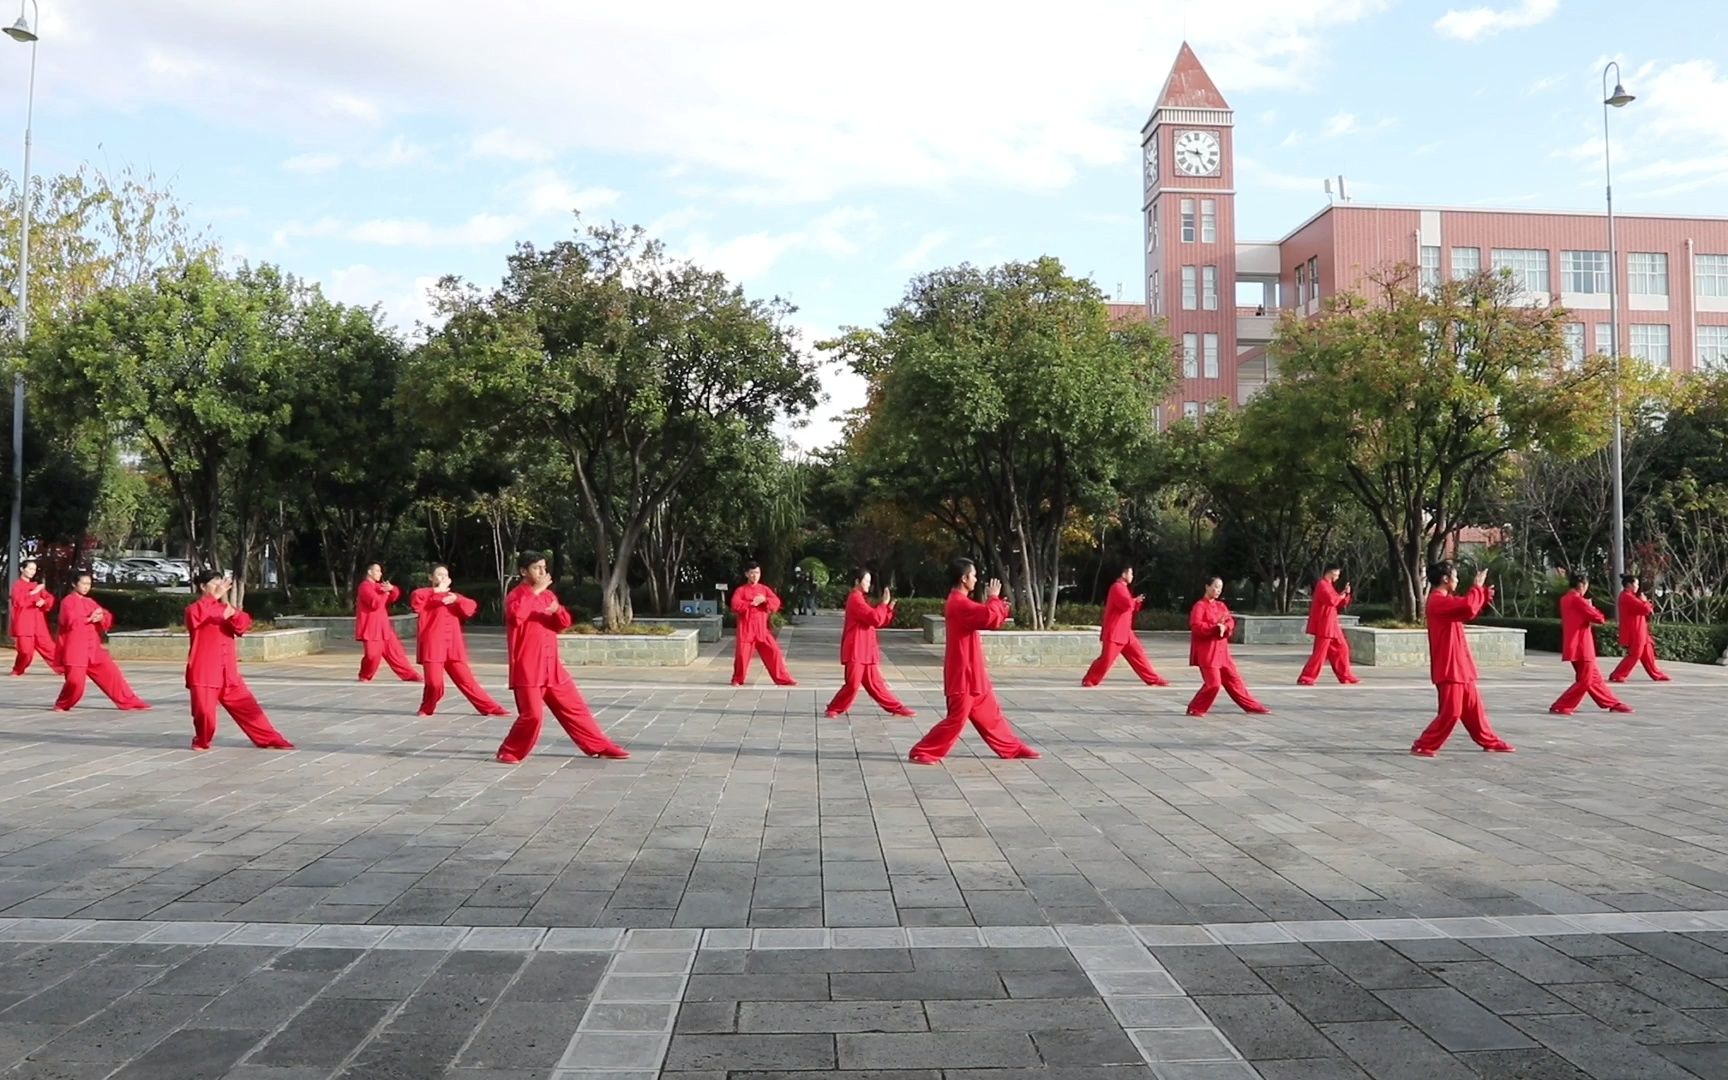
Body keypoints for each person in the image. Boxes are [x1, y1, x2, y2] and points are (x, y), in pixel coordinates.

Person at [495, 551, 628, 764]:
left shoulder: (548, 596)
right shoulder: (516, 596)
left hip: (552, 667)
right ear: (523, 571)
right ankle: (509, 751)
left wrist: (557, 610)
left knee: (576, 709)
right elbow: (516, 616)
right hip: (528, 668)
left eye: (544, 567)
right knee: (533, 716)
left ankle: (600, 746)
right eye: (536, 568)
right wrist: (536, 591)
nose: (542, 571)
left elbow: (563, 623)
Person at [908, 557, 1039, 764]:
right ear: (964, 578)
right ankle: (923, 750)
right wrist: (994, 599)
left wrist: (997, 605)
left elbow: (988, 615)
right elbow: (988, 617)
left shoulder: (960, 602)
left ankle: (1011, 748)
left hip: (972, 671)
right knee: (956, 720)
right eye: (974, 575)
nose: (976, 579)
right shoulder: (958, 603)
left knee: (991, 715)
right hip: (963, 673)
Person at [1411, 561, 1515, 757]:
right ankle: (1424, 744)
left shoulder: (1445, 600)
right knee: (1451, 712)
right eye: (1455, 577)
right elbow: (1467, 605)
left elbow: (1468, 609)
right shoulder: (1437, 601)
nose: (1457, 580)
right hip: (1449, 666)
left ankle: (1489, 741)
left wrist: (1482, 595)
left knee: (1474, 710)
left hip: (1460, 665)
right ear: (1445, 579)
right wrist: (1476, 587)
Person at [185, 569, 294, 750]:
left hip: (229, 674)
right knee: (204, 714)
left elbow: (242, 625)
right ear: (203, 587)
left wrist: (233, 613)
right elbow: (196, 617)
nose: (219, 588)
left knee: (250, 711)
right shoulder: (194, 609)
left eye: (221, 584)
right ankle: (202, 740)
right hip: (205, 672)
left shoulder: (225, 609)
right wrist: (213, 599)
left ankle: (269, 739)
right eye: (214, 584)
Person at [410, 565, 509, 718]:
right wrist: (437, 591)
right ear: (431, 577)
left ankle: (491, 708)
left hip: (453, 646)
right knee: (435, 684)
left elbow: (471, 607)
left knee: (467, 681)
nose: (442, 577)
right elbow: (417, 601)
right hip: (433, 646)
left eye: (445, 574)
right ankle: (427, 707)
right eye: (439, 574)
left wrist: (456, 599)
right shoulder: (424, 594)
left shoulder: (453, 597)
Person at [53, 571, 150, 713]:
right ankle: (62, 703)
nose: (86, 587)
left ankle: (128, 701)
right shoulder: (68, 602)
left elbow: (105, 615)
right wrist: (89, 619)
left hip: (93, 648)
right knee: (75, 683)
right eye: (83, 584)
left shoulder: (89, 601)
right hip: (75, 649)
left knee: (112, 674)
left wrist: (101, 617)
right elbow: (70, 622)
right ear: (74, 584)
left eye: (89, 584)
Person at [825, 568, 915, 719]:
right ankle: (834, 708)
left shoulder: (861, 598)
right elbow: (874, 618)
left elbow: (878, 621)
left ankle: (896, 707)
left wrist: (888, 608)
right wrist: (883, 604)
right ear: (857, 582)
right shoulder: (855, 598)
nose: (869, 584)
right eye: (866, 581)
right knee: (853, 684)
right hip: (856, 648)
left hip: (867, 649)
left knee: (876, 684)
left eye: (869, 581)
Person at [1550, 571, 1631, 716]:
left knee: (1594, 679)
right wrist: (1590, 605)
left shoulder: (1565, 599)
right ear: (1581, 584)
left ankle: (1612, 703)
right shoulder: (1578, 600)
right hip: (1582, 646)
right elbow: (1599, 618)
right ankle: (1561, 705)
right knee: (1585, 681)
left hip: (1574, 644)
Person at [1185, 576, 1269, 717]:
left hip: (1222, 652)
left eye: (1220, 588)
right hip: (1208, 652)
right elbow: (1196, 627)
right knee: (1214, 684)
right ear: (1207, 587)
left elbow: (1230, 621)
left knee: (1235, 681)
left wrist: (1225, 627)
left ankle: (1252, 706)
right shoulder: (1199, 606)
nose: (1218, 590)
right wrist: (1215, 628)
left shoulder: (1221, 606)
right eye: (1216, 586)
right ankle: (1196, 708)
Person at [1080, 565, 1168, 687]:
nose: (1132, 576)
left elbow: (1127, 607)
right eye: (1130, 573)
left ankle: (1153, 679)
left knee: (1139, 656)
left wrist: (1135, 602)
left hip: (1125, 632)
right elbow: (1126, 604)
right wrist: (1134, 601)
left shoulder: (1123, 588)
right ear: (1124, 574)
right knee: (1107, 659)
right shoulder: (1117, 587)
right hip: (1115, 632)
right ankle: (1089, 679)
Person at [730, 561, 796, 686]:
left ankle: (783, 679)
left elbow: (776, 602)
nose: (755, 576)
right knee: (742, 657)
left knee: (774, 653)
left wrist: (764, 600)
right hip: (746, 629)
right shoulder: (741, 590)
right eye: (752, 573)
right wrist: (751, 603)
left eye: (757, 573)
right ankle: (738, 679)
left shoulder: (764, 589)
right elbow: (735, 605)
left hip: (762, 629)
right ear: (747, 574)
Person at [356, 563, 420, 683]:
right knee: (372, 656)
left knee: (396, 654)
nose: (380, 573)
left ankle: (410, 675)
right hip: (371, 628)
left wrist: (391, 589)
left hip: (384, 627)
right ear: (369, 572)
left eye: (380, 571)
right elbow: (375, 603)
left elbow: (394, 595)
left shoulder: (378, 586)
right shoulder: (364, 587)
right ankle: (365, 675)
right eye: (377, 571)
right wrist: (386, 594)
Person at [1298, 563, 1359, 685]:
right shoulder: (1322, 585)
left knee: (1342, 649)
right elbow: (1331, 600)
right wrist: (1342, 595)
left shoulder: (1329, 586)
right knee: (1320, 654)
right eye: (1337, 573)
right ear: (1331, 572)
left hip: (1332, 624)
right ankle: (1306, 678)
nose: (1338, 576)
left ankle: (1345, 676)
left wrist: (1346, 594)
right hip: (1325, 624)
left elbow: (1339, 603)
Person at [1609, 574, 1669, 683]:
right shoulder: (1627, 596)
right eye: (1636, 584)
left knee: (1648, 653)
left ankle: (1656, 674)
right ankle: (1618, 674)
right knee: (1635, 654)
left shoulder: (1630, 596)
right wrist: (1645, 601)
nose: (1637, 586)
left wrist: (1645, 603)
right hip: (1635, 630)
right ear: (1629, 585)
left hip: (1640, 629)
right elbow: (1644, 608)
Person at [10, 558, 62, 676]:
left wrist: (43, 602)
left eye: (34, 569)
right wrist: (33, 593)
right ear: (22, 569)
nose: (32, 571)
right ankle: (18, 669)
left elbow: (50, 599)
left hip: (38, 623)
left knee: (49, 648)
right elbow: (18, 602)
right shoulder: (17, 586)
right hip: (24, 624)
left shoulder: (35, 586)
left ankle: (63, 668)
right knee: (25, 651)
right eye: (30, 568)